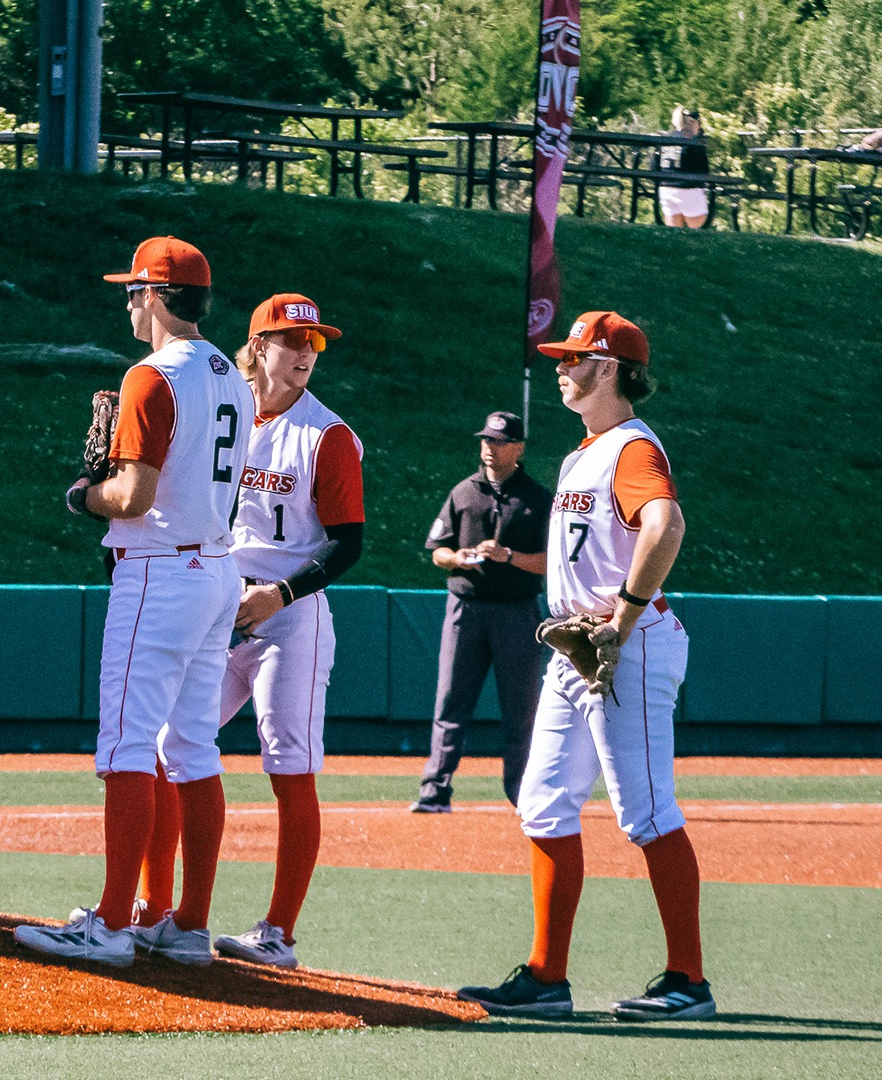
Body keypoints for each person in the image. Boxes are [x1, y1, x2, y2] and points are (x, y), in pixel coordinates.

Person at [459, 311, 712, 1021]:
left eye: (575, 358)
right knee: (541, 804)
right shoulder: (583, 453)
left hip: (622, 645)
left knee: (648, 812)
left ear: (611, 368)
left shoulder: (631, 448)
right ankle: (546, 977)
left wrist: (623, 618)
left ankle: (689, 979)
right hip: (577, 647)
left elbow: (668, 525)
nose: (562, 367)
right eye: (562, 357)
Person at [12, 237, 250, 967]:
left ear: (154, 295)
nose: (126, 301)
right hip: (216, 567)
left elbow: (133, 496)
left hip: (161, 569)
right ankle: (187, 925)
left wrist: (84, 495)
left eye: (132, 290)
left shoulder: (154, 375)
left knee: (127, 745)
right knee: (192, 749)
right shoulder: (233, 375)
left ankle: (112, 922)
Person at [204, 294, 363, 970]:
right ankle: (158, 910)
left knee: (288, 770)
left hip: (291, 617)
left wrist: (282, 593)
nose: (304, 353)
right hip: (217, 608)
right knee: (164, 751)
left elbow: (349, 542)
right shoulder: (223, 414)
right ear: (258, 345)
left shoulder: (326, 435)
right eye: (291, 340)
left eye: (315, 344)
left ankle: (279, 933)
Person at [411, 411, 550, 813]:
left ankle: (524, 796)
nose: (491, 448)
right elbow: (436, 550)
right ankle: (434, 791)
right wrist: (457, 558)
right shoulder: (464, 492)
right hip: (465, 607)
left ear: (519, 448)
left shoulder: (538, 498)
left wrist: (508, 556)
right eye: (487, 440)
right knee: (450, 702)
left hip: (517, 612)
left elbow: (551, 561)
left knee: (521, 709)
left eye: (501, 442)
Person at [658, 106, 710, 229]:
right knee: (698, 232)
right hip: (688, 189)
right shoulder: (694, 142)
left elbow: (653, 166)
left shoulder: (665, 138)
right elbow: (704, 171)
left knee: (674, 233)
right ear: (695, 123)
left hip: (666, 189)